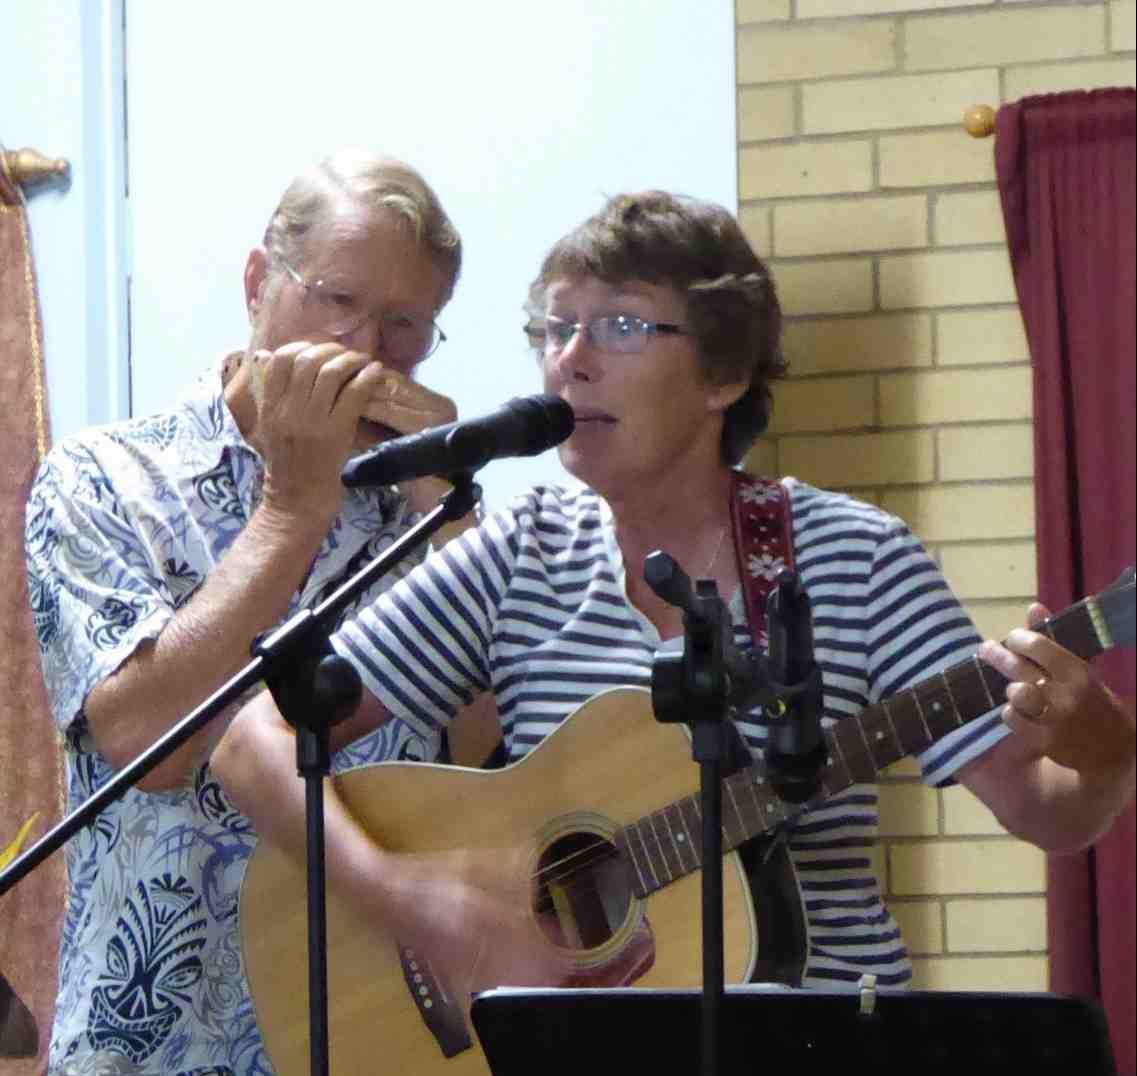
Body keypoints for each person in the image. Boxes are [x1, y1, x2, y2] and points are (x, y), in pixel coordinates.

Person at [212, 190, 1136, 1053]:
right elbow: (251, 739)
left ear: (724, 374)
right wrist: (417, 903)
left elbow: (1045, 812)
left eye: (618, 326)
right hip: (574, 1055)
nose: (570, 359)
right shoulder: (520, 549)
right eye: (556, 327)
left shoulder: (853, 558)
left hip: (821, 1046)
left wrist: (1101, 743)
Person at [24, 150, 489, 1076]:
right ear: (256, 284)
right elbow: (145, 742)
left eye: (404, 325)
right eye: (338, 300)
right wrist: (292, 508)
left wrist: (453, 512)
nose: (364, 351)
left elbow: (484, 752)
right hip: (157, 1047)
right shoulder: (104, 478)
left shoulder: (435, 510)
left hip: (382, 1038)